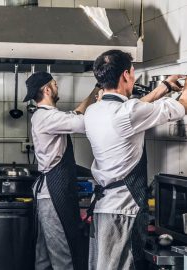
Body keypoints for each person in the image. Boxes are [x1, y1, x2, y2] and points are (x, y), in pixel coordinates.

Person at [84, 49, 187, 270]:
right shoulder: (127, 113)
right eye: (133, 72)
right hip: (124, 210)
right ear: (125, 76)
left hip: (105, 208)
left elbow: (135, 109)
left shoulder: (93, 111)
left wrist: (165, 87)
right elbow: (180, 107)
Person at [23, 71, 100, 270]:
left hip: (49, 193)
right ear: (47, 89)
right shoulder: (48, 117)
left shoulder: (47, 116)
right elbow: (84, 123)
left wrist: (97, 89)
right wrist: (107, 104)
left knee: (44, 257)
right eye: (55, 84)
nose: (58, 88)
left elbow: (77, 113)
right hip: (53, 194)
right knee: (63, 255)